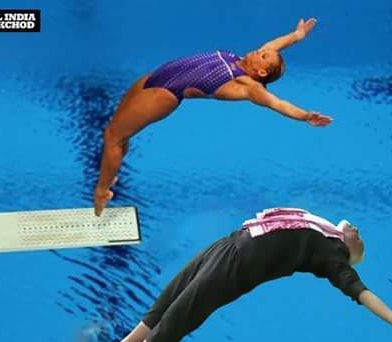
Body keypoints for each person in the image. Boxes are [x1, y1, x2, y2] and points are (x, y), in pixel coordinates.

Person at [75, 208, 392, 342]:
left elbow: (362, 294)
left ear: (351, 251)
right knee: (170, 296)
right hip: (229, 243)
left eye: (360, 239)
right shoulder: (327, 228)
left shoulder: (334, 258)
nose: (357, 230)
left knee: (182, 315)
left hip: (240, 265)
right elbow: (344, 223)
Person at [93, 18, 332, 216]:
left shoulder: (248, 86)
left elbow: (277, 103)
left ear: (260, 72)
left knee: (113, 137)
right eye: (264, 51)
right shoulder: (241, 60)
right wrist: (297, 36)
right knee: (119, 133)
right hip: (157, 76)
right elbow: (274, 46)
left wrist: (305, 116)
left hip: (164, 93)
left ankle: (103, 191)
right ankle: (110, 173)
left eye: (264, 56)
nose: (262, 51)